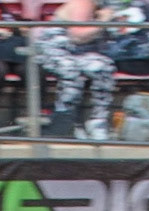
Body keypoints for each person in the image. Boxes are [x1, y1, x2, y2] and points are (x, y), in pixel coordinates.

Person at [34, 0, 117, 140]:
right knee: (71, 71)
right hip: (54, 50)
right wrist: (103, 21)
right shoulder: (83, 3)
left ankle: (98, 120)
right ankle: (64, 120)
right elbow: (78, 35)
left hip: (79, 51)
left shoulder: (101, 7)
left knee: (103, 66)